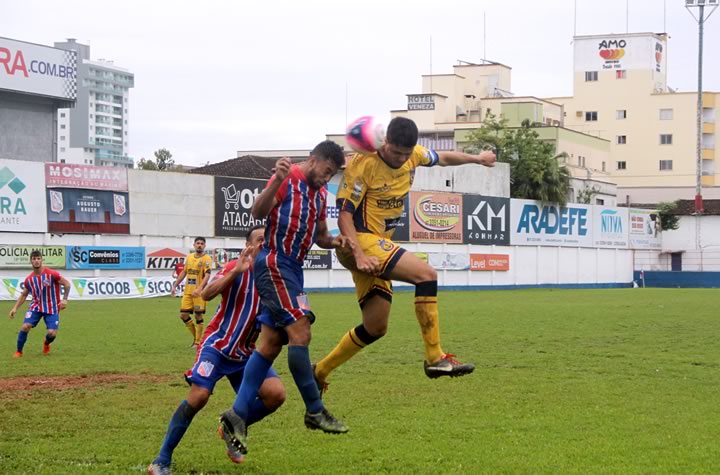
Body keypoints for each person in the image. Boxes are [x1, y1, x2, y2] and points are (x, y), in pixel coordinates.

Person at [314, 117, 496, 386]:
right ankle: (435, 358)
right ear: (385, 142)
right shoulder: (363, 164)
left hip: (376, 249)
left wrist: (478, 159)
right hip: (359, 243)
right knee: (426, 275)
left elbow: (443, 157)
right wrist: (360, 255)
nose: (401, 158)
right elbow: (344, 217)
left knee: (376, 327)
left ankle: (318, 372)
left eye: (406, 153)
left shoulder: (415, 155)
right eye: (395, 152)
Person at [219, 140, 350, 457]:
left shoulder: (319, 194)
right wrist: (275, 180)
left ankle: (236, 415)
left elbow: (320, 236)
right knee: (300, 332)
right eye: (326, 172)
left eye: (332, 175)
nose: (326, 179)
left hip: (293, 271)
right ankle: (315, 410)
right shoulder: (288, 176)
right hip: (275, 264)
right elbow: (258, 211)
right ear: (313, 160)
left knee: (270, 343)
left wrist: (337, 241)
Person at [148, 225, 286, 475]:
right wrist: (236, 273)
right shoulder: (235, 267)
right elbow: (206, 293)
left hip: (246, 354)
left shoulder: (277, 276)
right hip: (218, 345)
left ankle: (231, 425)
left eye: (269, 240)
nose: (264, 243)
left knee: (276, 394)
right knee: (199, 396)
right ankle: (162, 459)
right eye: (259, 240)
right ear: (249, 246)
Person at [8, 250, 71, 357]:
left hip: (52, 307)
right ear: (31, 261)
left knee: (52, 333)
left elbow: (67, 284)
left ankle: (46, 343)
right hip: (36, 307)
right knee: (25, 326)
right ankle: (19, 351)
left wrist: (64, 299)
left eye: (38, 258)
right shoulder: (29, 279)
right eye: (34, 259)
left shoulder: (51, 274)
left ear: (41, 260)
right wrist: (15, 308)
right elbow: (24, 295)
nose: (36, 261)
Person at [171, 237, 213, 346]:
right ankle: (197, 338)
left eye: (202, 243)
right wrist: (175, 285)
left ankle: (198, 342)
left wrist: (199, 289)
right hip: (188, 292)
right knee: (183, 315)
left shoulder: (207, 258)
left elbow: (207, 275)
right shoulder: (189, 257)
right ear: (194, 245)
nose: (199, 245)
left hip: (199, 293)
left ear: (204, 246)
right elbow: (184, 272)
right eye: (197, 243)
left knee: (198, 315)